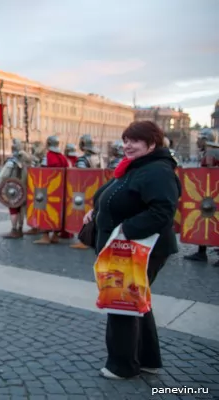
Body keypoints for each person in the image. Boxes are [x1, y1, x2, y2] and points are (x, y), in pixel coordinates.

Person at [83, 121, 181, 379]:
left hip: (139, 248)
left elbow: (162, 211)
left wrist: (126, 229)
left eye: (134, 141)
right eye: (126, 140)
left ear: (152, 144)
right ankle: (147, 359)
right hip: (125, 248)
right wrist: (98, 211)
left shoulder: (158, 171)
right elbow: (118, 196)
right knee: (137, 302)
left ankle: (122, 366)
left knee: (121, 303)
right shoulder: (136, 167)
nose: (127, 145)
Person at [183, 128, 219, 266]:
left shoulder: (210, 153)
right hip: (211, 196)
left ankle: (202, 253)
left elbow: (209, 175)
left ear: (206, 140)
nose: (197, 141)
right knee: (207, 222)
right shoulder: (212, 151)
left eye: (200, 138)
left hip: (213, 196)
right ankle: (201, 251)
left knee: (211, 221)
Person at [34, 135, 69, 244]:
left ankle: (45, 236)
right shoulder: (62, 157)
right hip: (61, 189)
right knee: (58, 212)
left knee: (46, 211)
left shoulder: (47, 156)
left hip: (48, 190)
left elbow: (43, 173)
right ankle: (55, 235)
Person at [0, 138, 31, 238]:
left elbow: (4, 176)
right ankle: (20, 229)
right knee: (21, 209)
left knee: (13, 210)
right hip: (24, 189)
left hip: (13, 189)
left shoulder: (11, 162)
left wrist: (3, 186)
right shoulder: (27, 162)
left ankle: (14, 230)